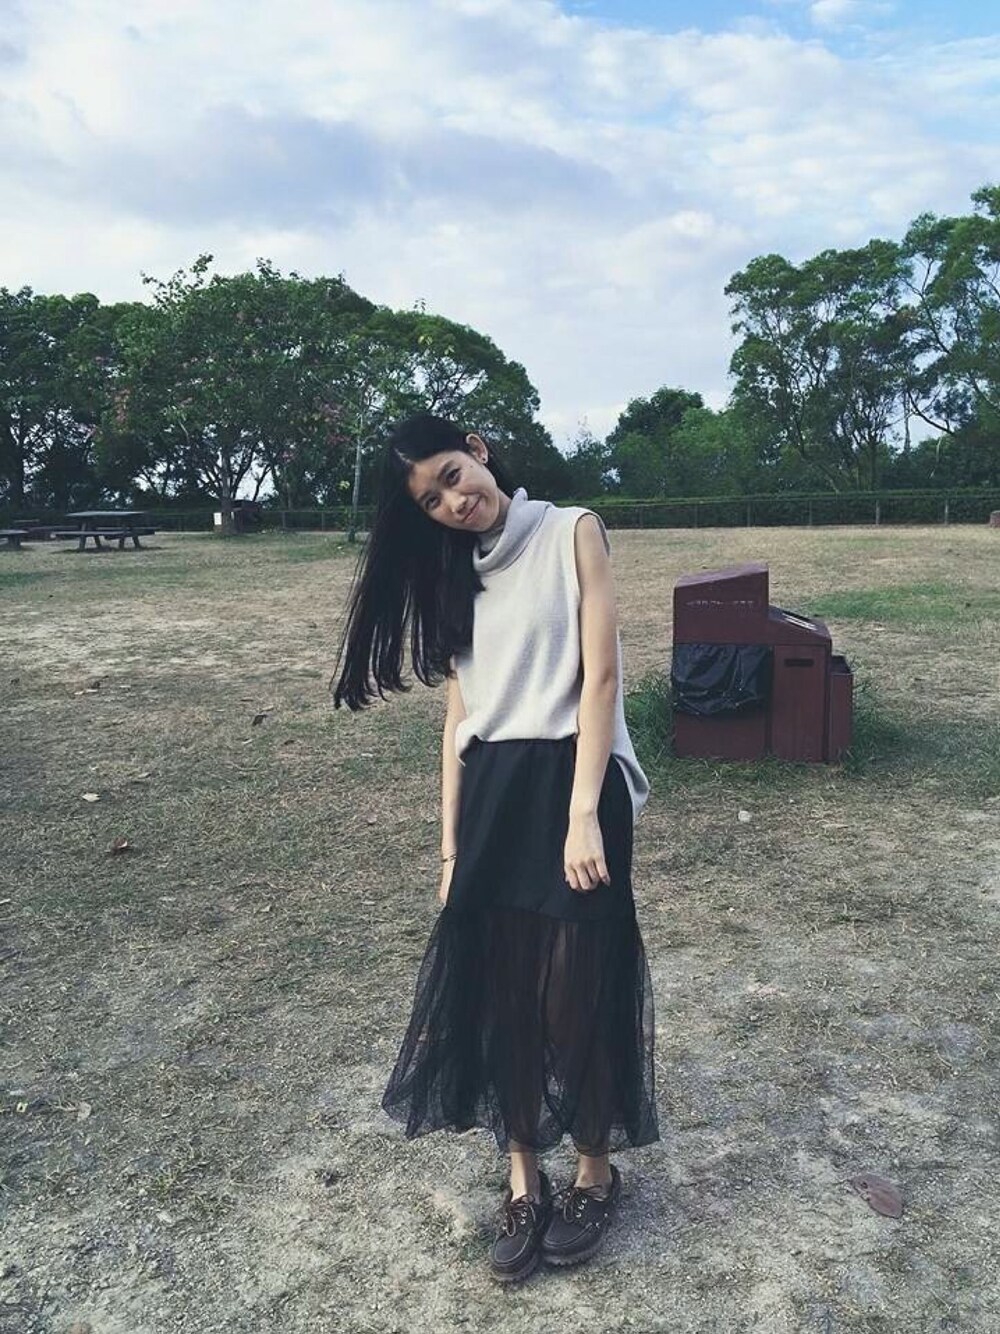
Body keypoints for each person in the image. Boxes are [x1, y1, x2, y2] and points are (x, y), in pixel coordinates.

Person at [333, 414, 658, 1283]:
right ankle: (523, 1182)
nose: (452, 502)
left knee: (577, 988)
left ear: (477, 449)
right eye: (431, 500)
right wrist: (448, 848)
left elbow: (602, 677)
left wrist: (584, 812)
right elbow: (460, 716)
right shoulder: (455, 571)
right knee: (503, 990)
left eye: (451, 475)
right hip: (493, 794)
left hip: (572, 778)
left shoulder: (573, 530)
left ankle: (595, 1173)